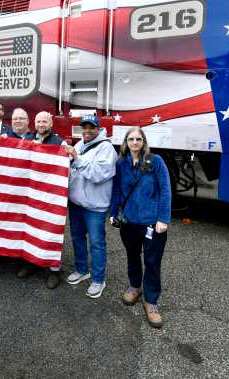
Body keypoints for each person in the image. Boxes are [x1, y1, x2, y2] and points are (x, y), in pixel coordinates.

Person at [109, 127, 171, 328]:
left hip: (152, 222)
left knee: (152, 261)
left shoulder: (156, 161)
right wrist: (113, 213)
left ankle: (151, 300)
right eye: (130, 139)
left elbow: (165, 190)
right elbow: (117, 190)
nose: (134, 142)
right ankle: (135, 286)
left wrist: (163, 218)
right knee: (132, 256)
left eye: (138, 139)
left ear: (144, 142)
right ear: (125, 142)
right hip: (129, 222)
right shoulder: (121, 164)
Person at [64, 114, 117, 298]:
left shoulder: (107, 148)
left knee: (96, 243)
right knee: (77, 237)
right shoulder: (79, 144)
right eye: (84, 127)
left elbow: (97, 174)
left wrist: (77, 160)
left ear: (98, 128)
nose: (86, 131)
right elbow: (72, 169)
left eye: (90, 127)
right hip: (77, 203)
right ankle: (81, 270)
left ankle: (98, 280)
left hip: (95, 206)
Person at [16, 111, 66, 289]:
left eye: (45, 121)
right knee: (30, 230)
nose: (41, 124)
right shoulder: (27, 140)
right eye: (38, 121)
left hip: (51, 197)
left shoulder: (60, 143)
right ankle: (31, 263)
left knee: (51, 231)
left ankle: (54, 270)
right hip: (31, 195)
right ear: (34, 123)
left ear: (51, 124)